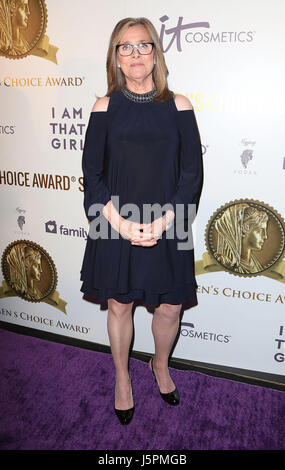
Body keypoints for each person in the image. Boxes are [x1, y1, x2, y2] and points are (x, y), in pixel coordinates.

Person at [80, 17, 203, 425]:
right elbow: (92, 175)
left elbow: (191, 174)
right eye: (125, 47)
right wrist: (118, 222)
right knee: (119, 305)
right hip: (115, 222)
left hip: (170, 219)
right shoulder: (104, 107)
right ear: (115, 58)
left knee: (169, 308)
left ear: (156, 53)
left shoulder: (180, 105)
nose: (135, 54)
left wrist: (167, 219)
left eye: (143, 45)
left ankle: (160, 365)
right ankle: (121, 378)